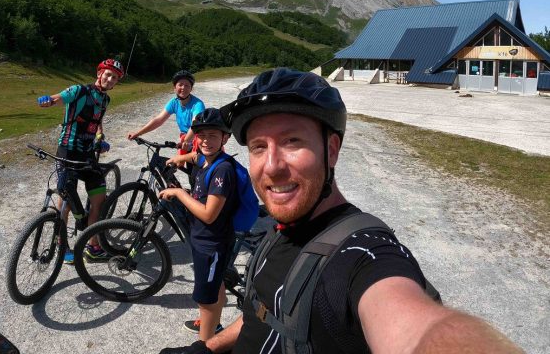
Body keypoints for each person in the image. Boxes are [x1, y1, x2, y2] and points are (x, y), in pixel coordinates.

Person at [161, 68, 523, 354]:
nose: (271, 166)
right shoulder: (278, 231)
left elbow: (419, 327)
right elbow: (264, 313)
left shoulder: (361, 255)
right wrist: (208, 348)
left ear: (331, 150)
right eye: (258, 146)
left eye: (292, 141)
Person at [159, 108, 239, 341]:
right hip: (204, 239)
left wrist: (179, 193)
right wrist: (179, 158)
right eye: (200, 135)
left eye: (213, 135)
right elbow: (195, 157)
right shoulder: (207, 158)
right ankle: (212, 325)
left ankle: (205, 343)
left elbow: (209, 214)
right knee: (216, 286)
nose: (205, 140)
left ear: (225, 138)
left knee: (206, 299)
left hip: (211, 244)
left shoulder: (222, 170)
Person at [37, 58, 124, 263]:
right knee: (65, 201)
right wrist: (47, 101)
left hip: (87, 155)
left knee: (99, 200)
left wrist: (100, 138)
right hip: (67, 151)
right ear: (99, 74)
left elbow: (97, 121)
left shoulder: (105, 100)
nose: (110, 79)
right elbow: (58, 98)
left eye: (115, 78)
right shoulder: (79, 91)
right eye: (108, 74)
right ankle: (61, 245)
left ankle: (93, 247)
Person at [128, 70, 205, 185]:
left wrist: (187, 140)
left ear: (191, 88)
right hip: (186, 140)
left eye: (187, 85)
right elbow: (158, 120)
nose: (183, 88)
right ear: (174, 87)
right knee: (173, 166)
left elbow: (195, 124)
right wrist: (138, 133)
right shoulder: (174, 103)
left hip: (198, 141)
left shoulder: (197, 104)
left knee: (195, 178)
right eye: (180, 85)